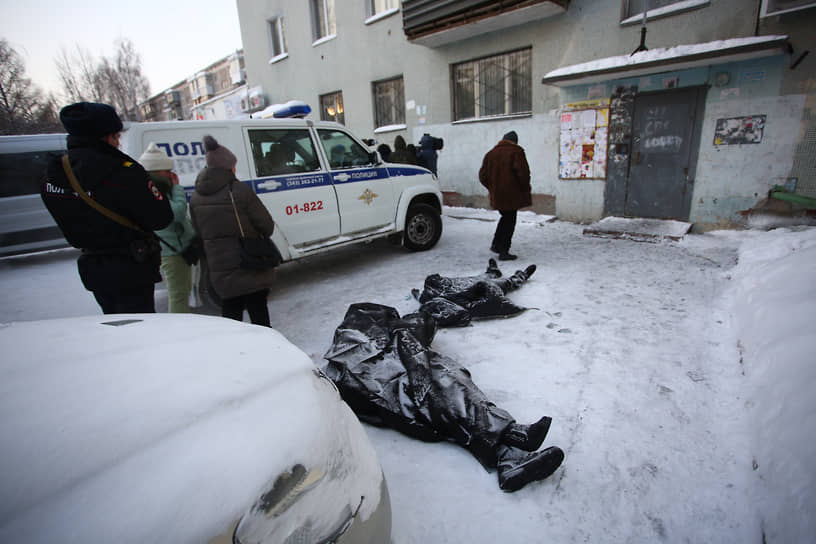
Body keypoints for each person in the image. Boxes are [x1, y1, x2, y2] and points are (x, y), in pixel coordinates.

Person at [324, 303, 564, 492]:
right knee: (440, 388)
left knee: (449, 382)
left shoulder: (377, 340)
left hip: (389, 385)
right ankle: (508, 445)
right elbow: (405, 350)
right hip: (385, 386)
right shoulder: (362, 337)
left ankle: (508, 452)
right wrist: (416, 362)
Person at [41, 102, 173, 314]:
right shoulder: (123, 172)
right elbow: (161, 217)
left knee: (115, 325)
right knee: (142, 331)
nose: (118, 142)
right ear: (106, 136)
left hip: (94, 268)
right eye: (116, 137)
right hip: (132, 266)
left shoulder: (54, 173)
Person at [190, 135, 276, 326]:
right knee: (259, 318)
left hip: (219, 269)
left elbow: (199, 231)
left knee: (231, 317)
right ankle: (267, 353)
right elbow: (266, 226)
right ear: (228, 167)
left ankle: (234, 352)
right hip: (249, 264)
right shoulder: (240, 191)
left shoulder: (195, 197)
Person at [138, 142, 197, 313]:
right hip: (170, 251)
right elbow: (176, 213)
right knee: (178, 295)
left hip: (175, 248)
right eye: (167, 171)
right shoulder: (153, 190)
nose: (171, 175)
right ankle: (179, 331)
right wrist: (178, 188)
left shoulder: (161, 188)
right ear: (156, 172)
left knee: (182, 292)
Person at [478, 130, 531, 261]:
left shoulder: (490, 154)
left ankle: (496, 244)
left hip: (498, 195)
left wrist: (492, 188)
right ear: (515, 141)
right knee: (509, 221)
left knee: (505, 218)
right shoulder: (516, 152)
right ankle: (504, 251)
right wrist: (524, 189)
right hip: (512, 195)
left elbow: (482, 176)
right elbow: (523, 174)